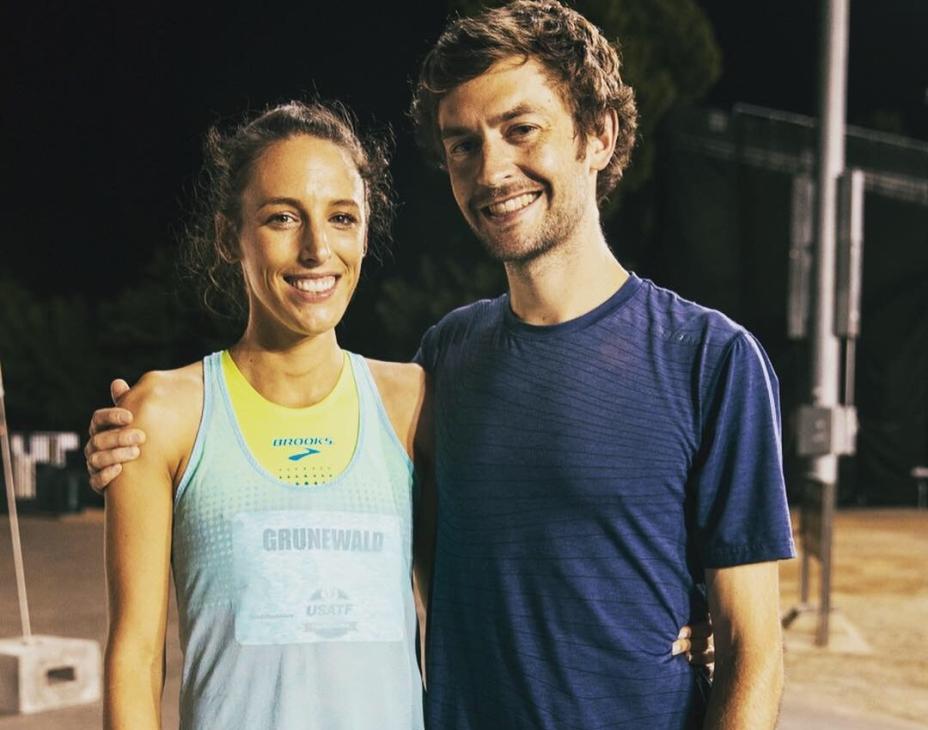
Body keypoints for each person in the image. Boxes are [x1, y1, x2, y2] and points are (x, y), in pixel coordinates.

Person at [85, 2, 782, 728]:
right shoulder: (446, 363)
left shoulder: (710, 360)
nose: (493, 170)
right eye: (462, 144)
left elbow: (753, 653)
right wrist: (132, 438)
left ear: (598, 135)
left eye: (521, 131)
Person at [98, 100, 432, 730]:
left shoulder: (411, 404)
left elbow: (457, 623)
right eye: (283, 218)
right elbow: (137, 658)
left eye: (341, 218)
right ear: (230, 237)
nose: (316, 249)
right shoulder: (165, 416)